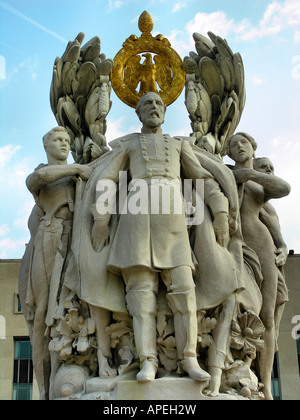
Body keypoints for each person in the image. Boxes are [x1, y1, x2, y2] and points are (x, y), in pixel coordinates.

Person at [90, 92, 231, 383]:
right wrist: (101, 220)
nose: (153, 108)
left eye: (158, 104)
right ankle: (148, 360)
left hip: (173, 218)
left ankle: (189, 358)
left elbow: (202, 179)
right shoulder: (128, 145)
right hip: (136, 219)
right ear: (138, 114)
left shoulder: (179, 145)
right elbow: (108, 178)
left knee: (183, 289)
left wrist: (220, 213)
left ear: (165, 113)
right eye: (146, 105)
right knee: (140, 294)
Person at [24, 126, 92, 399]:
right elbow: (37, 178)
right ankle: (45, 389)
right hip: (50, 239)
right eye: (57, 140)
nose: (63, 144)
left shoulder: (78, 173)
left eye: (66, 140)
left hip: (74, 241)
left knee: (64, 311)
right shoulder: (47, 172)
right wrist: (76, 169)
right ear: (46, 145)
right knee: (43, 312)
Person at [227, 132, 291, 400]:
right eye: (233, 144)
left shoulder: (257, 185)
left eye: (244, 142)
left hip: (260, 245)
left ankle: (264, 385)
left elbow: (284, 189)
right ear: (227, 153)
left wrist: (249, 174)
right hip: (231, 245)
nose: (239, 146)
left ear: (253, 148)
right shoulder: (224, 171)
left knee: (266, 317)